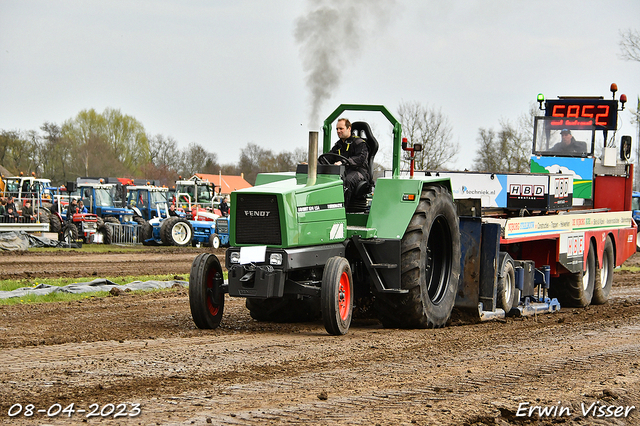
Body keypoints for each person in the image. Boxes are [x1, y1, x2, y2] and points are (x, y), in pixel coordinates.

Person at [327, 118, 370, 207]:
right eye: (337, 129)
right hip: (343, 172)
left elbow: (360, 158)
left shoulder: (360, 143)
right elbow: (327, 158)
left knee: (347, 181)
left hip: (359, 173)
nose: (338, 131)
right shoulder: (338, 146)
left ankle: (341, 210)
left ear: (349, 128)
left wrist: (343, 162)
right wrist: (313, 164)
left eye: (341, 128)